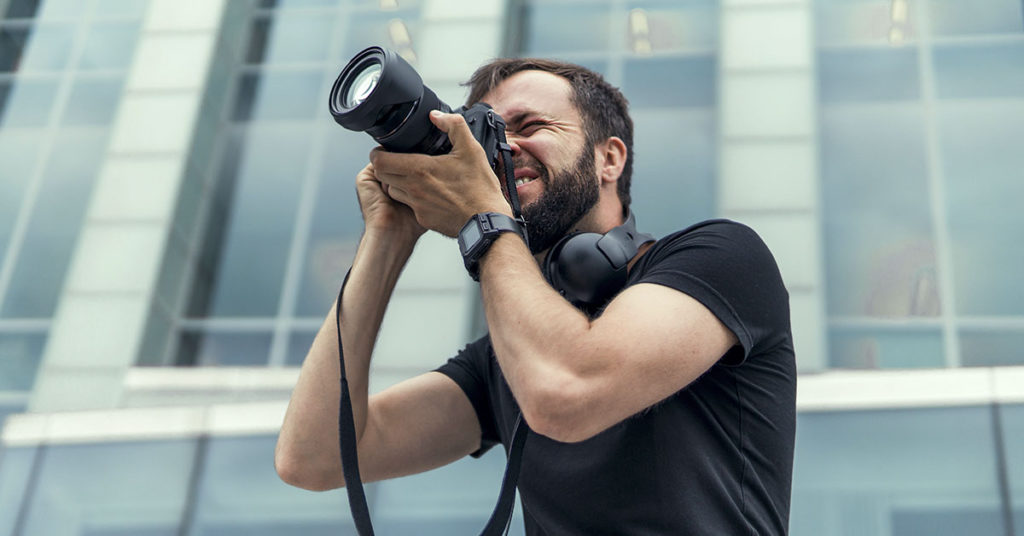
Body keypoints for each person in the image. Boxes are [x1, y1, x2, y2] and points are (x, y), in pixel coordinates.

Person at [275, 57, 796, 535]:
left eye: (529, 126)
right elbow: (315, 456)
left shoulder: (721, 257)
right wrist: (387, 238)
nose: (503, 150)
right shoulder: (508, 357)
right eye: (489, 136)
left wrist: (481, 216)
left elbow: (566, 394)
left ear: (609, 158)